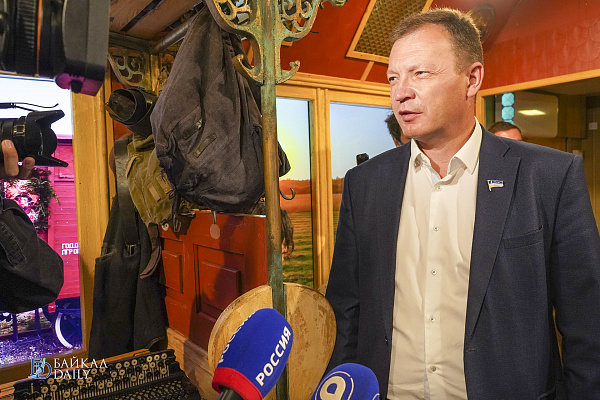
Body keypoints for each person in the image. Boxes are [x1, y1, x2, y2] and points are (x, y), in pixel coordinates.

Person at [325, 8, 600, 400]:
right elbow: (346, 311)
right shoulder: (365, 183)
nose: (401, 92)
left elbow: (587, 324)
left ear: (472, 79)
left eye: (420, 73)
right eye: (393, 78)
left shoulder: (548, 176)